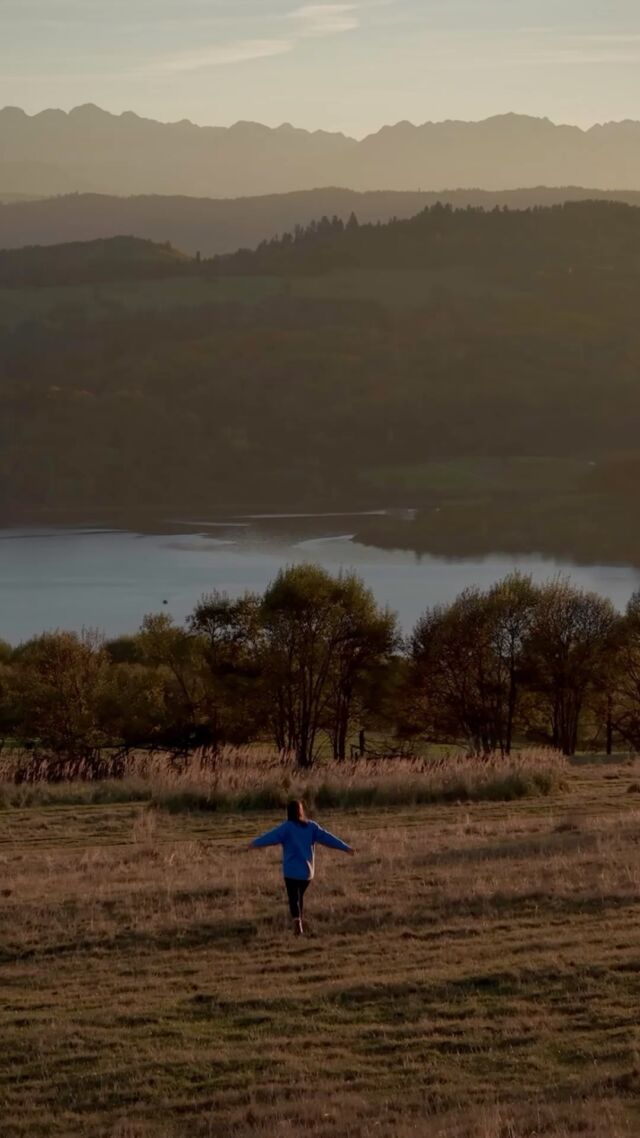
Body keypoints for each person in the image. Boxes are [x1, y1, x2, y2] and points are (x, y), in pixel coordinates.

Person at [248, 800, 354, 935]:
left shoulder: (286, 828)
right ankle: (300, 921)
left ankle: (297, 924)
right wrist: (345, 847)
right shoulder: (311, 827)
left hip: (291, 871)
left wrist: (255, 844)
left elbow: (271, 836)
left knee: (294, 898)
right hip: (307, 873)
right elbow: (328, 838)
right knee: (299, 897)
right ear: (301, 811)